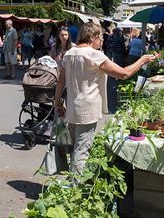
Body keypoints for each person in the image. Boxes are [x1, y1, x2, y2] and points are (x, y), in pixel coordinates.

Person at [54, 22, 156, 175]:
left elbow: (60, 81)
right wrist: (142, 61)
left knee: (74, 148)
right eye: (100, 37)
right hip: (87, 111)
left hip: (72, 108)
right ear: (93, 37)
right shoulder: (94, 55)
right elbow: (123, 74)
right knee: (81, 151)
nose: (102, 41)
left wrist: (57, 103)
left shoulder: (69, 53)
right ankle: (75, 189)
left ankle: (69, 182)